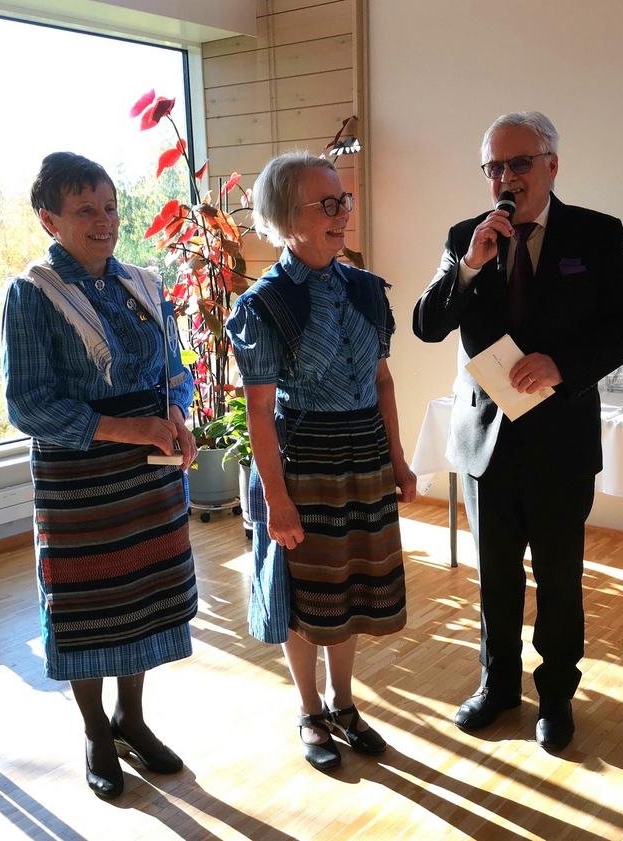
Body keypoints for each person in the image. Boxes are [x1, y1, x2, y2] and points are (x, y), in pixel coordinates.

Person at [413, 113, 623, 752]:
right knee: (495, 577)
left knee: (558, 578)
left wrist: (563, 365)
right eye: (493, 167)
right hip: (486, 441)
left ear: (551, 165)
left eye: (518, 163)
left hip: (559, 440)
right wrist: (468, 267)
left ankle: (556, 696)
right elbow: (427, 325)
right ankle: (496, 687)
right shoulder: (467, 237)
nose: (505, 178)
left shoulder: (595, 235)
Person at [2, 152, 199, 799]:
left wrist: (176, 415)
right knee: (90, 606)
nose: (104, 220)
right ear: (49, 219)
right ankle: (96, 730)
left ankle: (131, 719)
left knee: (142, 598)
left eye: (110, 207)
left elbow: (175, 370)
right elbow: (29, 405)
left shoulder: (142, 284)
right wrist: (132, 429)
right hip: (80, 484)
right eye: (85, 209)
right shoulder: (32, 294)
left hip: (150, 477)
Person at [226, 152, 416, 771]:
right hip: (303, 464)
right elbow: (259, 413)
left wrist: (398, 460)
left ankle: (343, 702)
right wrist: (276, 499)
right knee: (306, 596)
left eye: (343, 201)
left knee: (352, 589)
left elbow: (382, 382)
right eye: (327, 203)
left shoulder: (365, 289)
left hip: (364, 458)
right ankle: (309, 710)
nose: (341, 213)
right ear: (287, 218)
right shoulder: (264, 305)